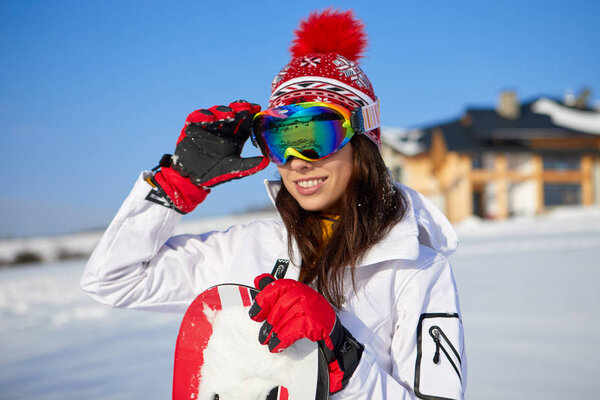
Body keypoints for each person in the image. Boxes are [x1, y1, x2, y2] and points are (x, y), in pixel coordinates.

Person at [81, 9, 467, 400]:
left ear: (362, 139)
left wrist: (342, 359)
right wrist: (173, 186)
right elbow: (113, 279)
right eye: (279, 139)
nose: (298, 159)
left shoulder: (416, 270)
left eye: (316, 134)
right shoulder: (245, 248)